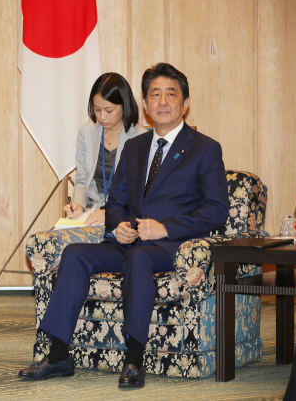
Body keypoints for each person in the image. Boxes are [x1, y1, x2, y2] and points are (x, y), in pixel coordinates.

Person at [18, 63, 229, 389]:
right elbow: (115, 201)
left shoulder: (204, 149)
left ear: (185, 103)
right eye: (154, 94)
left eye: (170, 94)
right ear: (144, 104)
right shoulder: (136, 147)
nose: (162, 102)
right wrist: (118, 227)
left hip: (167, 247)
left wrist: (166, 228)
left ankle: (134, 358)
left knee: (138, 259)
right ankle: (59, 354)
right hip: (128, 241)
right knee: (75, 254)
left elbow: (216, 212)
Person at [65, 73, 147, 226]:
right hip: (92, 212)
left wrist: (112, 212)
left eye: (109, 111)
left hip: (125, 216)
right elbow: (82, 179)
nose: (102, 117)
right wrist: (78, 205)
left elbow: (142, 191)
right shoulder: (87, 132)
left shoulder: (141, 138)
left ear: (124, 106)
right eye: (97, 109)